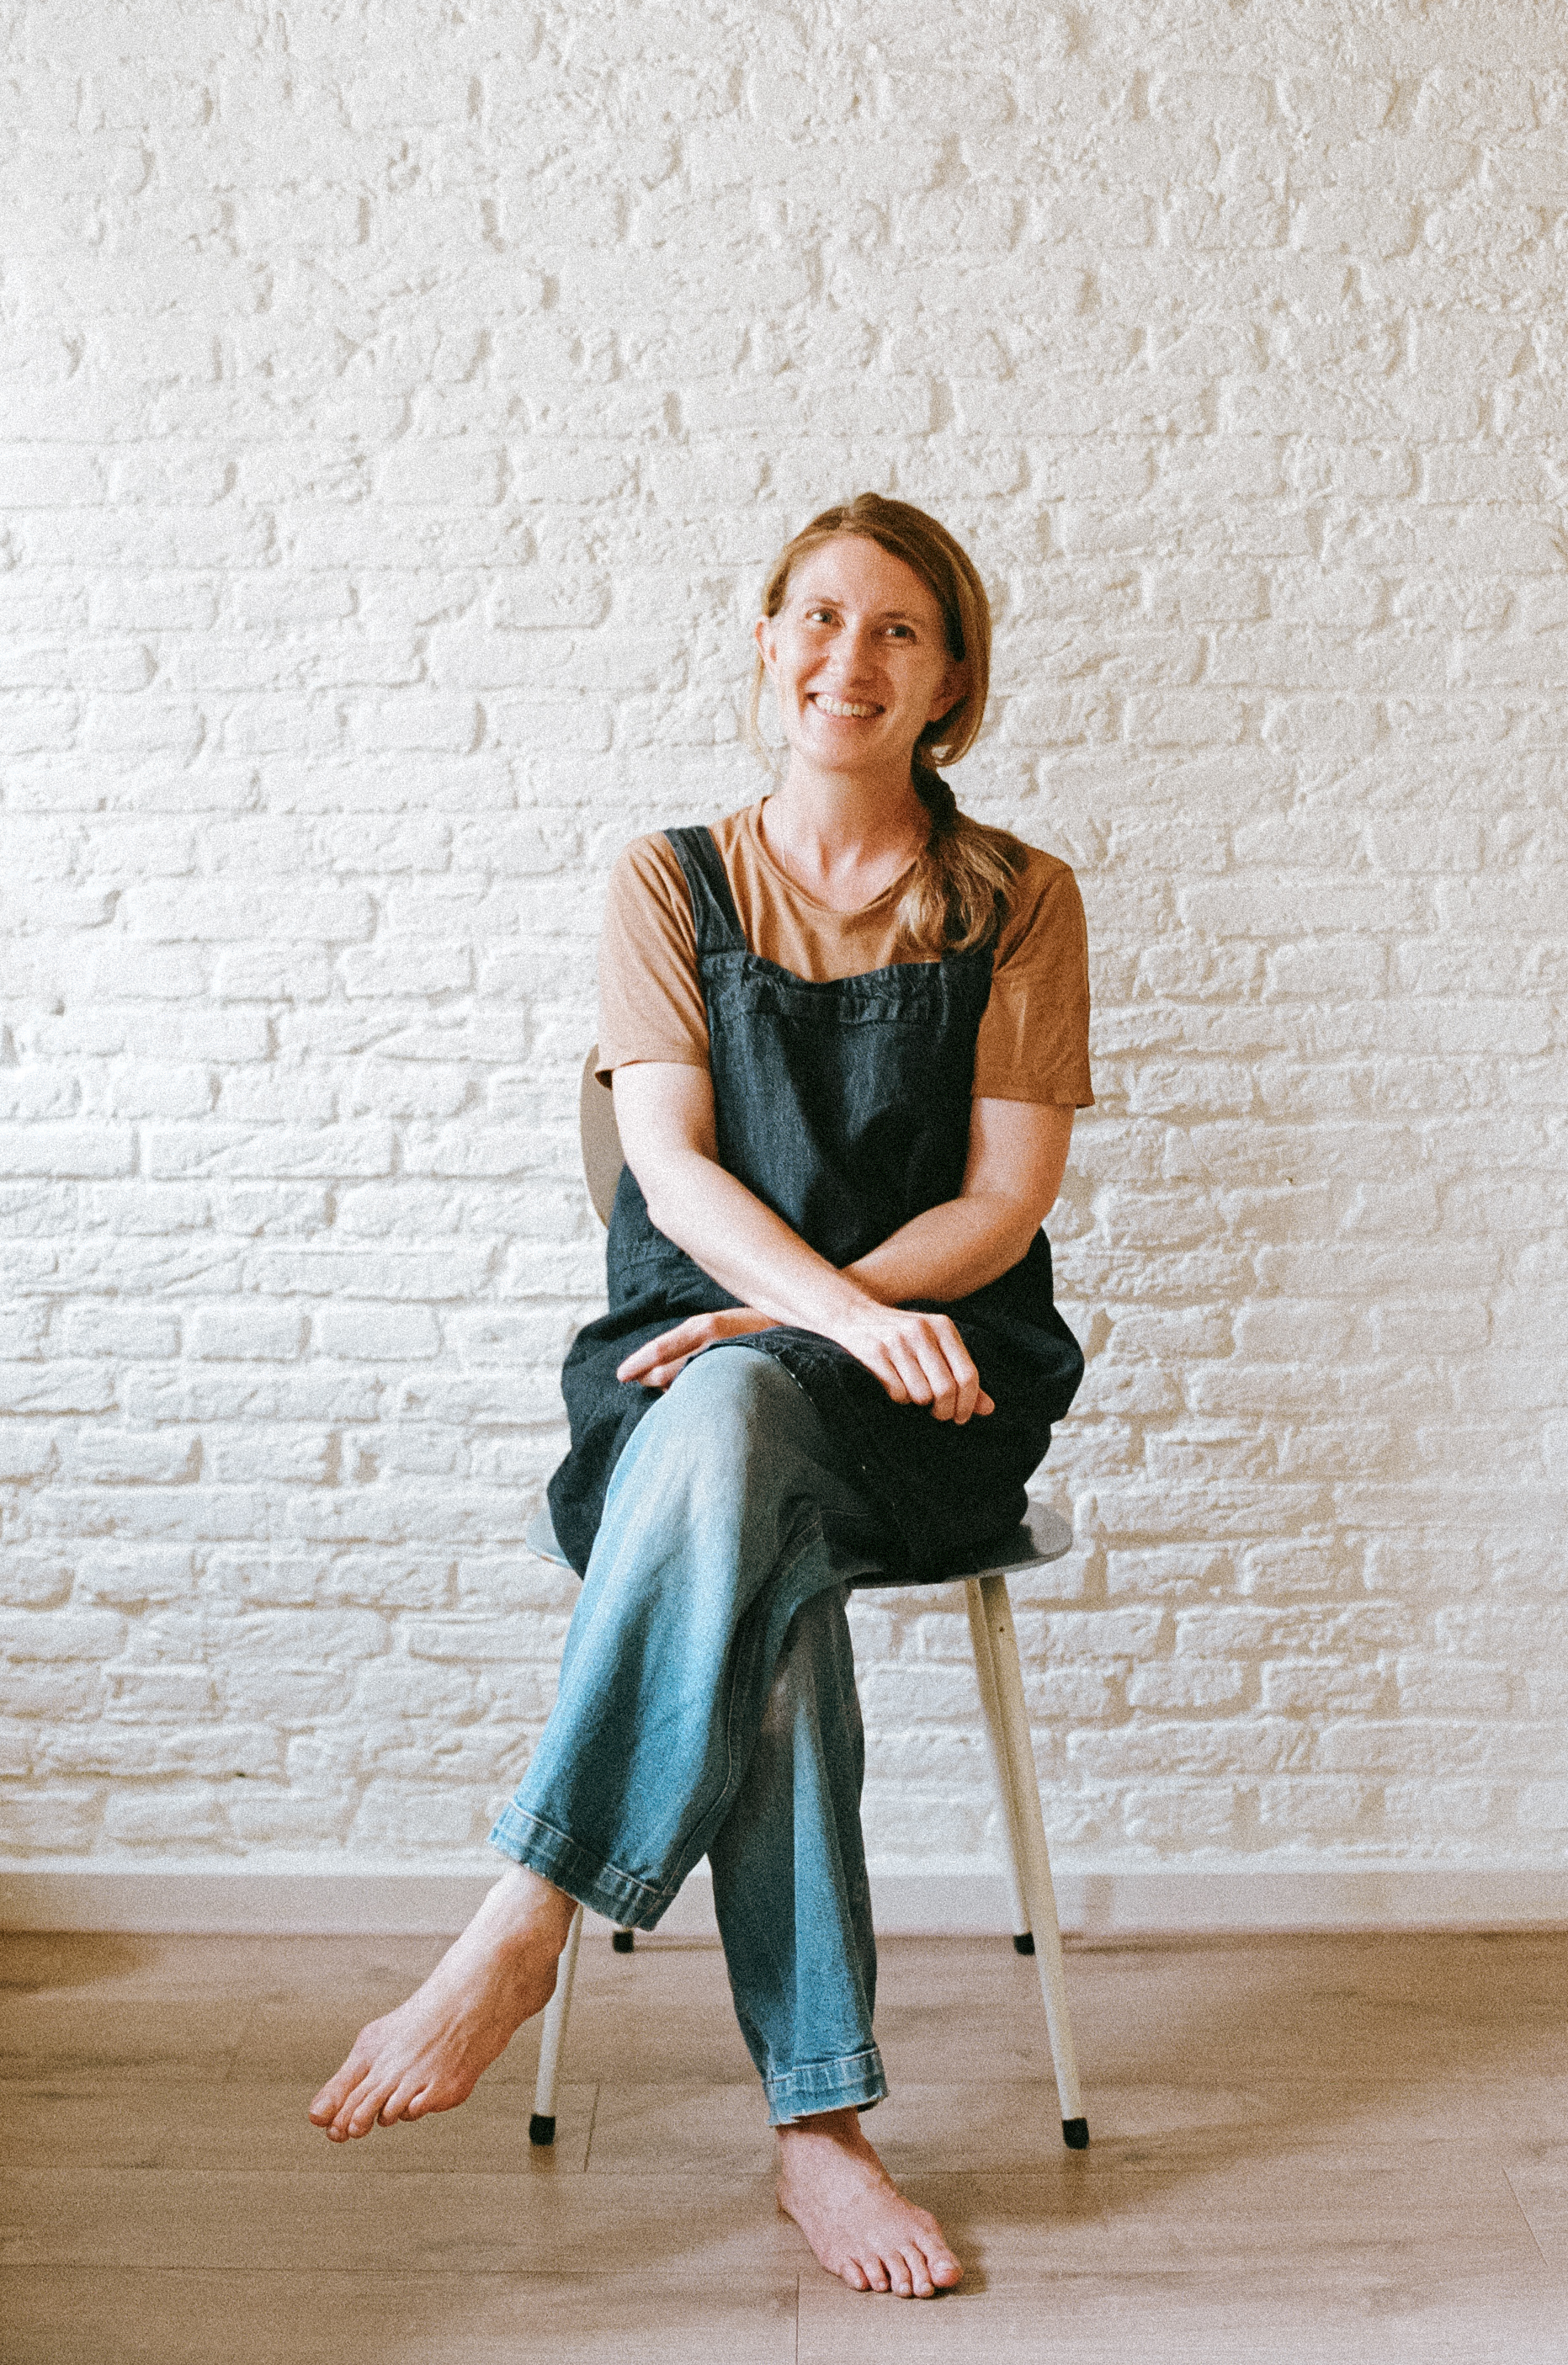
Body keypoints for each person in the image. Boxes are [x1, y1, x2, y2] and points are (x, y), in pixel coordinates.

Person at [310, 493, 1092, 2300]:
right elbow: (666, 1171)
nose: (850, 655)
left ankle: (529, 1913)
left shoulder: (1019, 898)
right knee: (745, 1480)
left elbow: (1001, 1199)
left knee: (753, 1460)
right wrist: (778, 1322)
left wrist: (844, 1327)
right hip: (688, 1361)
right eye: (816, 617)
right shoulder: (668, 880)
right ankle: (814, 2130)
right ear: (764, 643)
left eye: (896, 628)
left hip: (934, 1380)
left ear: (948, 677)